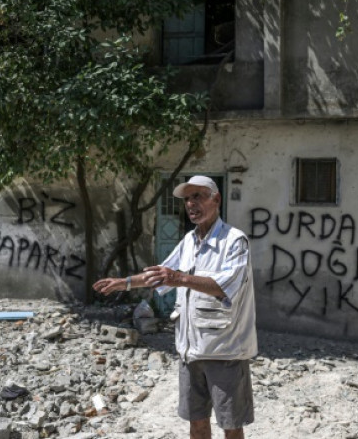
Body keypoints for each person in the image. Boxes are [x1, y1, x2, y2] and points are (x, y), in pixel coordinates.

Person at [93, 175, 257, 439]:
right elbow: (161, 275)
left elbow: (224, 286)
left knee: (231, 424)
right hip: (190, 351)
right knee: (196, 422)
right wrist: (123, 282)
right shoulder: (190, 240)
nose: (191, 204)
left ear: (216, 199)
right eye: (187, 199)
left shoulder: (234, 241)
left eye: (198, 196)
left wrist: (179, 277)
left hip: (225, 351)